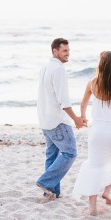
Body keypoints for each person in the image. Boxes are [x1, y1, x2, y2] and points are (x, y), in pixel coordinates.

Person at [72, 51, 111, 215]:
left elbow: (83, 102)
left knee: (94, 165)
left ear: (100, 65)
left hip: (97, 131)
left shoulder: (93, 83)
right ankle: (107, 190)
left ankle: (92, 207)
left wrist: (83, 117)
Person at [36, 38, 86, 201]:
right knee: (70, 152)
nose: (67, 54)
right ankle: (46, 182)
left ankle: (52, 193)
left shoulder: (45, 67)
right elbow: (63, 101)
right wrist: (76, 119)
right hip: (57, 121)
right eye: (64, 51)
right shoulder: (58, 69)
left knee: (52, 155)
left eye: (68, 51)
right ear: (55, 51)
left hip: (45, 119)